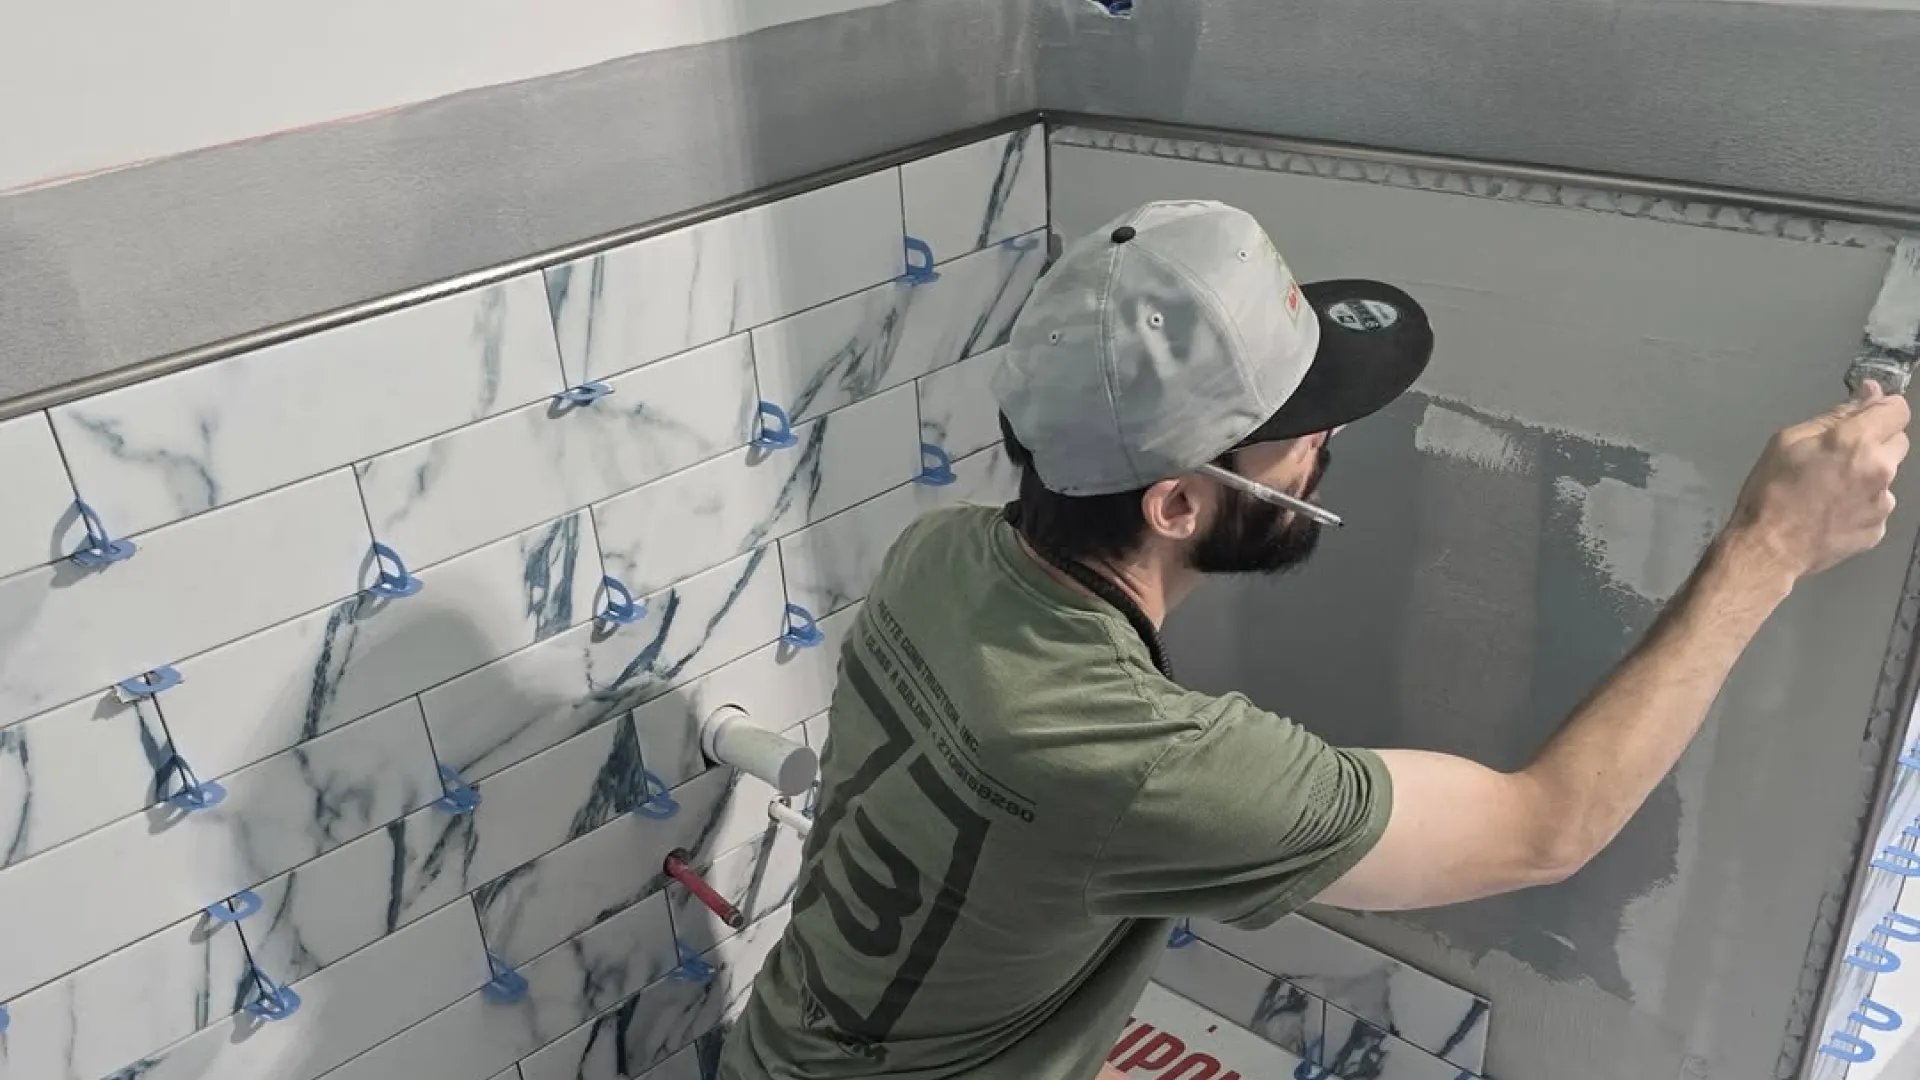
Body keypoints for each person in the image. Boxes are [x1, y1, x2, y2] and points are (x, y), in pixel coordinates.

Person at [720, 201, 1911, 1080]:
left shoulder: (949, 551)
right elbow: (1547, 830)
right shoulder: (1139, 764)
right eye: (1293, 428)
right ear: (1177, 505)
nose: (1326, 441)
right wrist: (1771, 546)